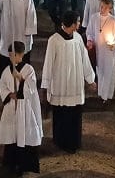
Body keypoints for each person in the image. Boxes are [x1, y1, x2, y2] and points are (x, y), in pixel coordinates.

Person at [41, 10, 96, 154]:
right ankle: (60, 141)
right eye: (78, 21)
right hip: (60, 85)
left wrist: (90, 79)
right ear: (72, 24)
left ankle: (74, 142)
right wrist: (45, 86)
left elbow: (84, 59)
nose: (79, 24)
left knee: (74, 116)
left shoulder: (77, 38)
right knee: (61, 115)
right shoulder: (54, 40)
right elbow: (48, 64)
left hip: (75, 84)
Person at [0, 41, 43, 176]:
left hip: (24, 108)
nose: (10, 57)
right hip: (12, 106)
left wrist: (21, 79)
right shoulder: (7, 70)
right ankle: (11, 162)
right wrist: (10, 94)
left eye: (13, 55)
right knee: (12, 135)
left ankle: (24, 164)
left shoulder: (29, 69)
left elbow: (32, 87)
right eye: (9, 55)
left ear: (20, 55)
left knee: (23, 134)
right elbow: (1, 85)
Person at [85, 0, 115, 103]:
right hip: (98, 50)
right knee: (100, 72)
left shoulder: (113, 20)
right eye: (101, 7)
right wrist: (89, 40)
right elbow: (89, 32)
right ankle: (101, 93)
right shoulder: (94, 18)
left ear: (110, 9)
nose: (102, 9)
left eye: (106, 8)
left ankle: (107, 95)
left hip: (109, 52)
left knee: (108, 73)